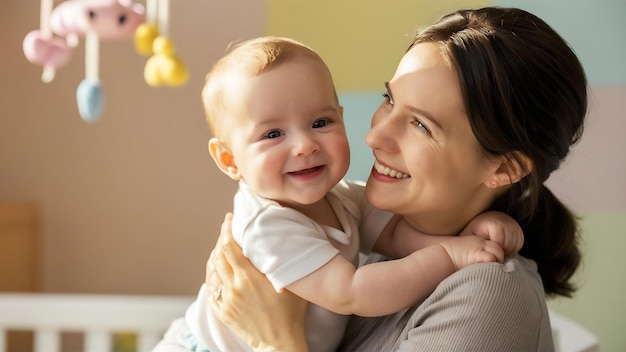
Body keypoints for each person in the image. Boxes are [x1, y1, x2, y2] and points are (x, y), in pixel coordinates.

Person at [203, 6, 587, 352]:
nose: (373, 136)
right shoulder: (370, 254)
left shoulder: (488, 296)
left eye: (420, 124)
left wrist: (275, 341)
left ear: (504, 169)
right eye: (388, 100)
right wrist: (463, 241)